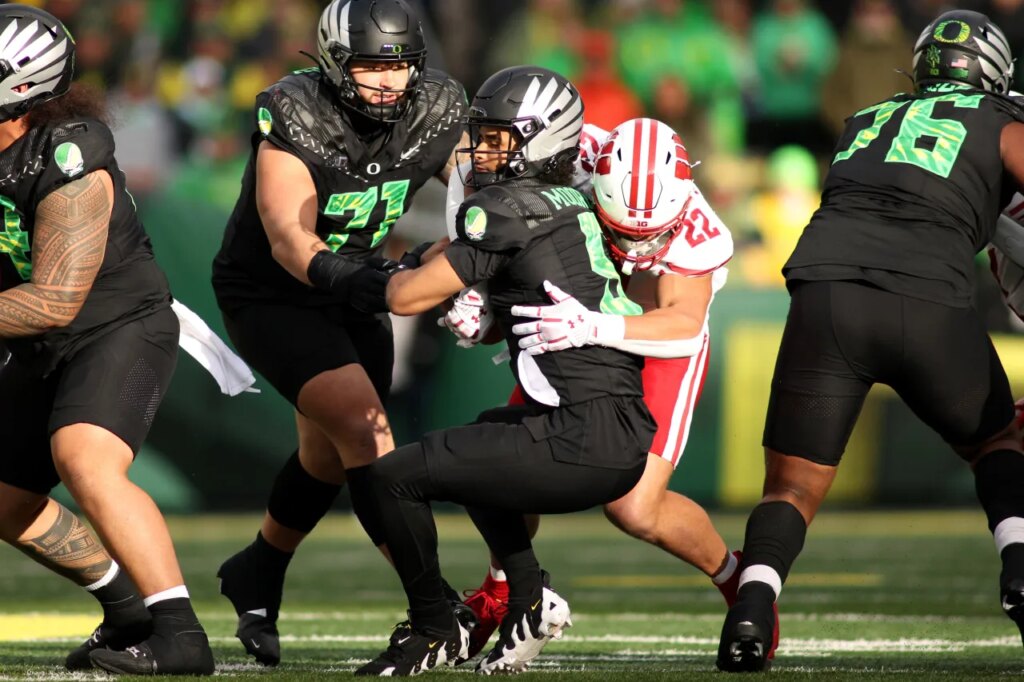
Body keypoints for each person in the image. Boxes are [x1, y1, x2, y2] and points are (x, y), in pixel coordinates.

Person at [715, 9, 1024, 672]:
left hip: (825, 294)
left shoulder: (865, 120)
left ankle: (752, 607)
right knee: (1000, 440)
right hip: (923, 295)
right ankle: (1020, 567)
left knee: (790, 490)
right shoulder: (1001, 122)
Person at [351, 65, 656, 676]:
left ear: (542, 138)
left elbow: (408, 297)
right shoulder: (571, 200)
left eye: (497, 139)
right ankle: (526, 599)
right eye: (481, 136)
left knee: (390, 479)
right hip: (617, 429)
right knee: (484, 439)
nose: (482, 151)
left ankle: (434, 628)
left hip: (580, 435)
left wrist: (344, 273)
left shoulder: (506, 207)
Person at [447, 117, 782, 660]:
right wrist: (477, 289)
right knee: (505, 463)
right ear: (592, 183)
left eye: (651, 234)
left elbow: (682, 325)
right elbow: (476, 171)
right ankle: (501, 588)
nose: (634, 246)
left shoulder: (698, 229)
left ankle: (734, 578)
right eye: (621, 230)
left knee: (633, 509)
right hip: (575, 323)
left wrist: (595, 326)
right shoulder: (566, 154)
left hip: (648, 337)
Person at [210, 0, 466, 666]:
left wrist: (482, 251)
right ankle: (433, 608)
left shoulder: (437, 108)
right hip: (272, 292)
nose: (388, 80)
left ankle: (258, 568)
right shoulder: (294, 112)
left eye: (400, 65)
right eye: (372, 65)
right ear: (333, 63)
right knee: (367, 431)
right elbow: (289, 238)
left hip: (360, 284)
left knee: (328, 457)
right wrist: (375, 283)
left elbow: (483, 195)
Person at [0, 4, 214, 676]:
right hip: (39, 343)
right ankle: (127, 612)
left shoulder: (68, 153)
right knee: (5, 501)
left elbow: (57, 298)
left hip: (118, 323)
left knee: (85, 457)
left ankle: (181, 634)